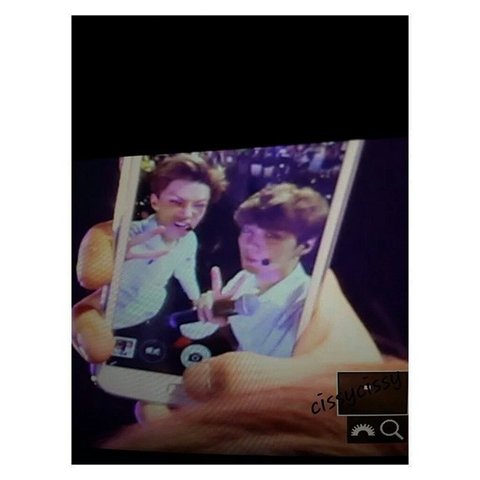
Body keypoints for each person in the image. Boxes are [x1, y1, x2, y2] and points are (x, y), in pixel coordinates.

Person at [188, 183, 381, 362]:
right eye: (248, 231)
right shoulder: (245, 278)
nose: (251, 244)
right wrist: (213, 314)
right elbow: (206, 334)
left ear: (305, 246)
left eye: (272, 236)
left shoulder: (305, 306)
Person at [77, 153, 227, 330]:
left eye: (199, 206)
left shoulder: (189, 240)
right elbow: (90, 283)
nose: (187, 214)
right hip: (102, 318)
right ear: (155, 202)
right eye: (176, 202)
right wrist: (115, 257)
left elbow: (185, 271)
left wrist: (197, 300)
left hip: (144, 319)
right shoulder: (128, 234)